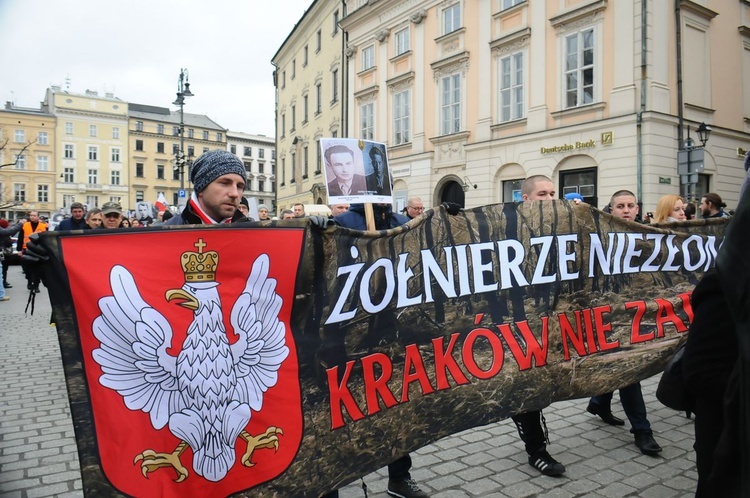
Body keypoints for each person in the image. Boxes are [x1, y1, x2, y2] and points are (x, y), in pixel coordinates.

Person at [333, 203, 429, 498]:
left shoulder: (402, 221)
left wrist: (442, 217)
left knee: (398, 405)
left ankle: (399, 477)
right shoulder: (342, 222)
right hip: (353, 329)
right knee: (343, 410)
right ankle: (333, 479)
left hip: (393, 327)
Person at [585, 190, 662, 455]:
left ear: (637, 209)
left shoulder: (648, 236)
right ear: (611, 209)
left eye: (630, 205)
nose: (626, 210)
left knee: (623, 367)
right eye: (620, 206)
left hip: (638, 314)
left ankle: (599, 401)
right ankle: (642, 430)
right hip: (609, 315)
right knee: (631, 369)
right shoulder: (599, 236)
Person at [507, 175, 566, 477]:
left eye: (553, 193)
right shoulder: (507, 224)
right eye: (543, 193)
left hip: (551, 317)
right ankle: (536, 449)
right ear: (526, 198)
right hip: (518, 317)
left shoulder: (562, 224)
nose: (551, 198)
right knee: (527, 381)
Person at [166, 150, 247, 226]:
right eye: (225, 183)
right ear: (201, 188)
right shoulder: (163, 235)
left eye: (239, 186)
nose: (235, 194)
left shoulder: (253, 234)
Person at [17, 211, 48, 292]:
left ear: (38, 217)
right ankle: (29, 281)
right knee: (27, 269)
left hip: (38, 251)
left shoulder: (43, 226)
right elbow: (20, 238)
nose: (32, 217)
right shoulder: (25, 225)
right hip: (26, 249)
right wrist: (19, 250)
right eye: (31, 215)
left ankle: (36, 285)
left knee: (38, 269)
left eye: (34, 215)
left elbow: (47, 239)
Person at [0, 218, 23, 290]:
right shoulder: (3, 232)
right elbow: (9, 231)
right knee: (3, 269)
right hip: (3, 252)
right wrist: (20, 224)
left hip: (5, 252)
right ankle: (2, 287)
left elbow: (11, 231)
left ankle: (3, 283)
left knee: (3, 269)